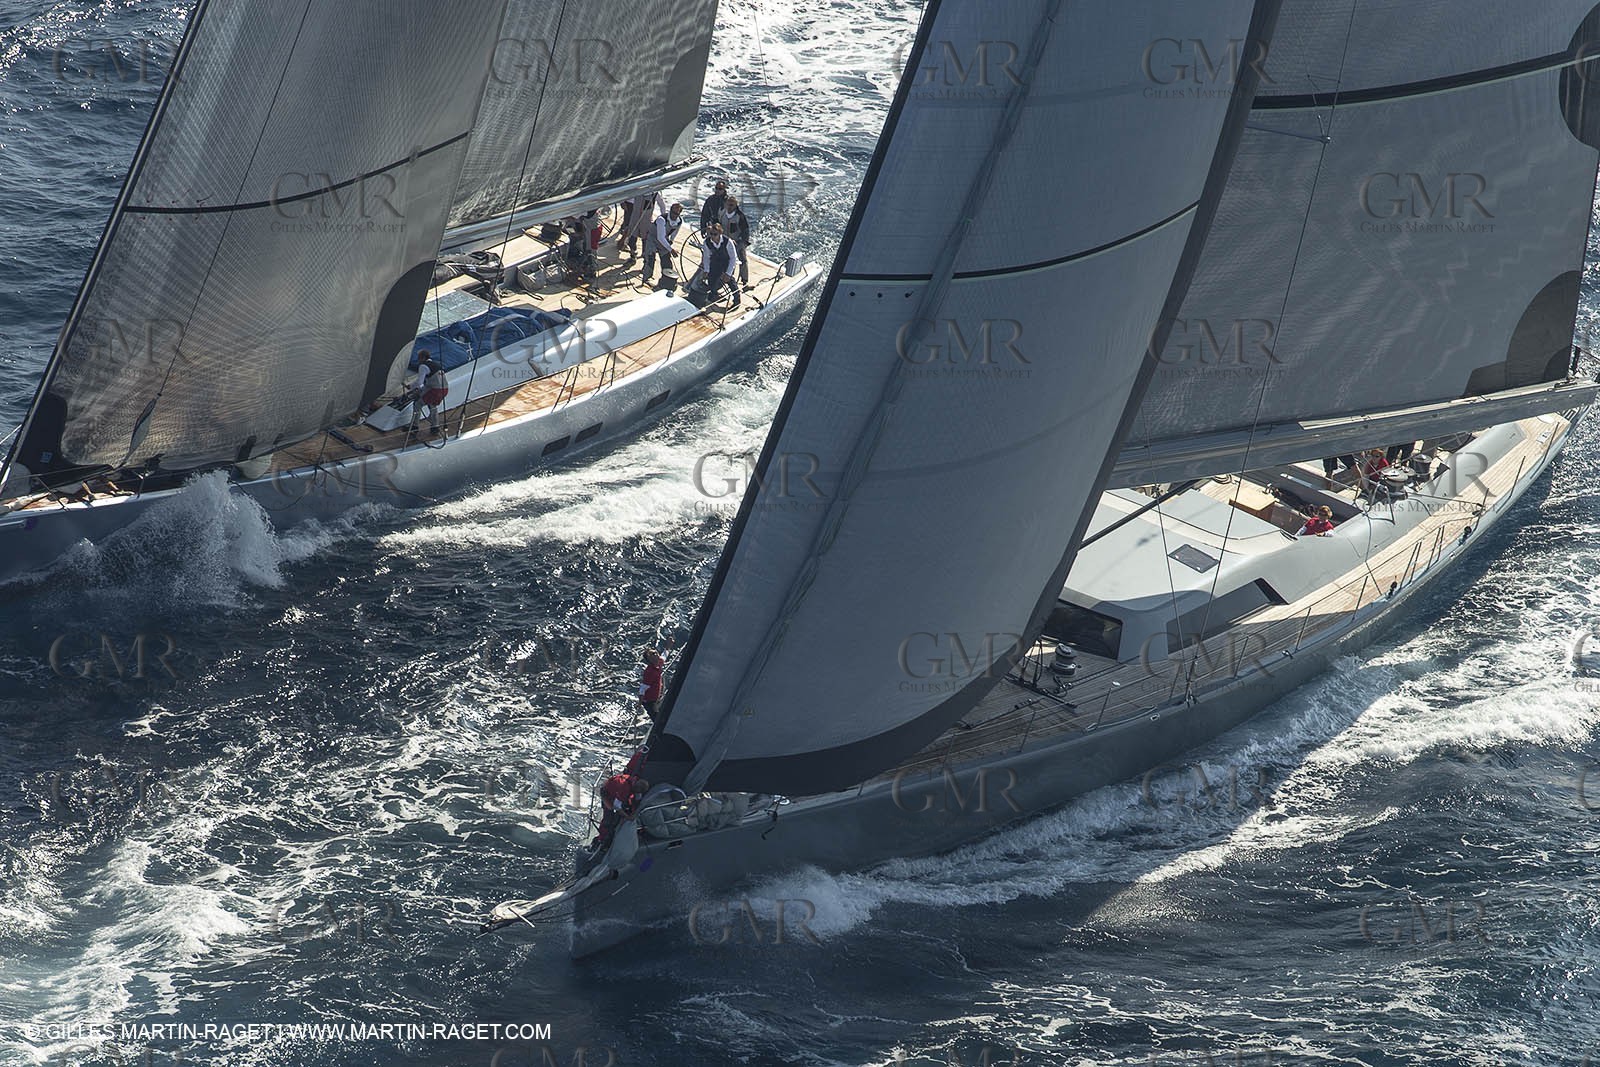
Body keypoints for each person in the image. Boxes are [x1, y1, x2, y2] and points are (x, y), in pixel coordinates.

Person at [593, 770, 650, 849]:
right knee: (608, 817)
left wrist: (634, 812)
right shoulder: (625, 787)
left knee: (626, 808)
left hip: (618, 794)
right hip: (607, 794)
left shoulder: (635, 782)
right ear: (636, 788)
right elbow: (617, 806)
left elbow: (637, 799)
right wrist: (628, 817)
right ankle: (601, 840)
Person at [692, 223, 742, 307]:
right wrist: (706, 270)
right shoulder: (707, 242)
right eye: (711, 234)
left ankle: (737, 299)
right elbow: (706, 257)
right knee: (711, 279)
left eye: (715, 234)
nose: (712, 236)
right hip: (715, 262)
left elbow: (733, 258)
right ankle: (714, 295)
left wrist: (728, 273)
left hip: (726, 262)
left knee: (730, 281)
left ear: (720, 233)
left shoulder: (728, 242)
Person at [644, 202, 685, 286]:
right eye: (673, 213)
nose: (674, 215)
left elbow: (674, 233)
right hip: (652, 238)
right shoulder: (661, 219)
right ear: (670, 211)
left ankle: (666, 280)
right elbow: (660, 237)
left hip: (664, 239)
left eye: (677, 214)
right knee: (650, 259)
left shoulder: (679, 221)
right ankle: (646, 278)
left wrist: (671, 241)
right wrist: (671, 249)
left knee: (666, 260)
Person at [412, 351, 448, 437]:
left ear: (423, 358)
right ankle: (435, 427)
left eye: (419, 358)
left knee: (417, 404)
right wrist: (421, 391)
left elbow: (419, 382)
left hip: (435, 390)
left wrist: (410, 387)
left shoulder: (423, 366)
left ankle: (414, 427)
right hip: (444, 389)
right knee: (432, 405)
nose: (418, 360)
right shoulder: (436, 364)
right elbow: (430, 383)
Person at [720, 197, 751, 286]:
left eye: (731, 205)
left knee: (742, 259)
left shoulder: (740, 216)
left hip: (737, 241)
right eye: (728, 204)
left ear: (735, 206)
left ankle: (744, 279)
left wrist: (743, 243)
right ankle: (727, 278)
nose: (729, 207)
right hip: (724, 241)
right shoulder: (722, 213)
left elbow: (745, 231)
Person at [638, 647, 666, 726]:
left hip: (657, 698)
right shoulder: (649, 672)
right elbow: (642, 689)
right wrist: (639, 703)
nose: (656, 654)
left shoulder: (659, 662)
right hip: (649, 701)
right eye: (653, 654)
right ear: (649, 659)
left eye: (656, 652)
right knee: (658, 721)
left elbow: (664, 656)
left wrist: (668, 647)